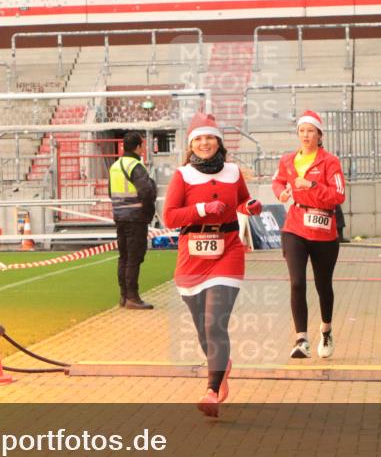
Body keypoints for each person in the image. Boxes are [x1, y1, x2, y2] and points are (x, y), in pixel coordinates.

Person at [163, 112, 261, 417]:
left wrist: (250, 207)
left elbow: (242, 201)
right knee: (203, 332)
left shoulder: (233, 172)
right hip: (191, 257)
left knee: (214, 323)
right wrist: (203, 208)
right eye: (199, 139)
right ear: (191, 145)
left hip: (228, 251)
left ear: (218, 142)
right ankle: (222, 368)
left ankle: (211, 389)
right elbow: (169, 218)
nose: (205, 143)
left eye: (210, 138)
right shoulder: (183, 176)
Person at [271, 110, 346, 360]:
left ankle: (326, 330)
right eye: (302, 131)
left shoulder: (330, 162)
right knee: (296, 282)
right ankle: (301, 339)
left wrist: (313, 185)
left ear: (319, 135)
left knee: (323, 286)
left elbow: (338, 196)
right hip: (295, 226)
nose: (305, 135)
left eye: (310, 131)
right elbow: (278, 182)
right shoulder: (288, 160)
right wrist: (281, 192)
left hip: (324, 230)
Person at [109, 131, 157, 309]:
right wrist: (148, 213)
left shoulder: (115, 166)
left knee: (124, 256)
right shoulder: (135, 166)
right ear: (139, 146)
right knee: (134, 258)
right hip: (135, 218)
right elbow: (147, 192)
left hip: (119, 217)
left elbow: (110, 192)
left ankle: (123, 296)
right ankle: (133, 297)